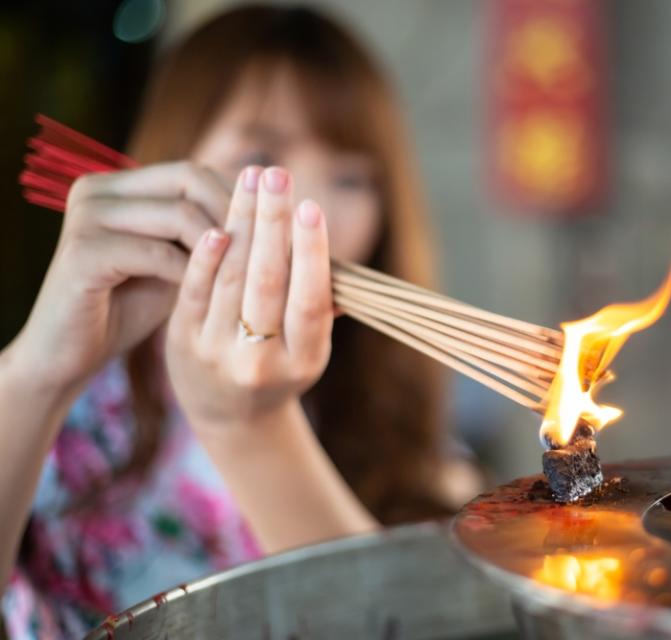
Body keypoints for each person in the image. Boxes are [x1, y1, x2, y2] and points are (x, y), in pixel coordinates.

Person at [0, 6, 475, 637]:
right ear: (173, 166)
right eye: (259, 157)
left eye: (352, 177)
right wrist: (37, 373)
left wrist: (252, 427)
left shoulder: (402, 427)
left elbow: (417, 626)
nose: (308, 209)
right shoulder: (71, 406)